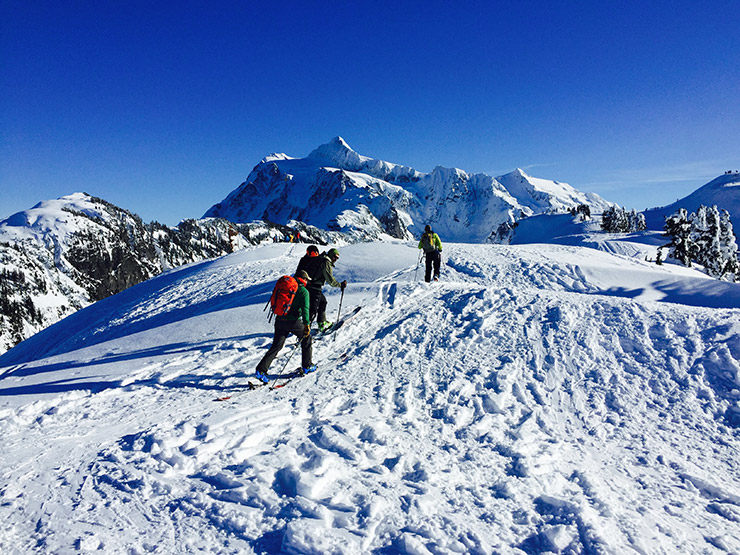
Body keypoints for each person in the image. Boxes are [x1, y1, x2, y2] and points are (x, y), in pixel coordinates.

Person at [255, 270, 316, 383]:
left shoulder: (286, 287)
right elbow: (305, 310)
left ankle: (261, 370)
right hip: (293, 322)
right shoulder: (303, 291)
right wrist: (307, 325)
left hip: (279, 319)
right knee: (307, 338)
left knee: (276, 346)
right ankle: (307, 366)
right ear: (304, 279)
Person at [306, 247, 347, 332]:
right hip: (314, 288)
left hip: (310, 285)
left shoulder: (321, 259)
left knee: (322, 302)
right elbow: (330, 280)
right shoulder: (326, 262)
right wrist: (340, 285)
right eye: (335, 257)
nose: (336, 259)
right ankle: (304, 332)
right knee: (313, 310)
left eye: (337, 258)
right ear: (331, 255)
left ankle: (321, 323)